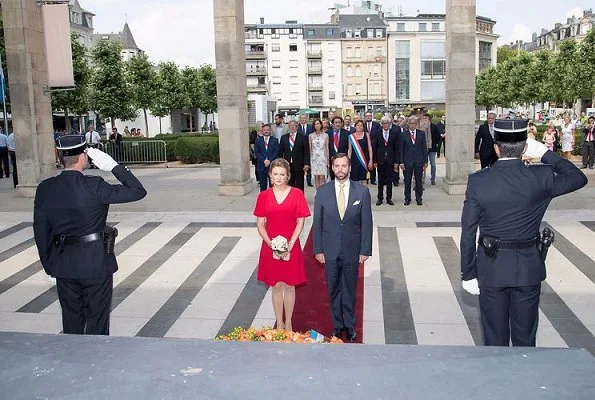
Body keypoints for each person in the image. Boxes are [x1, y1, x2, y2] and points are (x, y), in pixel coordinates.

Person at [460, 119, 587, 347]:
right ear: (526, 147)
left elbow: (469, 231)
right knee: (525, 339)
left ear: (496, 148)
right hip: (528, 267)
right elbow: (578, 178)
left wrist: (468, 273)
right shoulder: (541, 177)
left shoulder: (479, 181)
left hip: (492, 268)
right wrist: (545, 153)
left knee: (495, 340)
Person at [33, 135, 147, 335]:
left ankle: (74, 360)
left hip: (64, 264)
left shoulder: (46, 188)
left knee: (71, 322)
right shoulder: (95, 185)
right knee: (97, 322)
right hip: (96, 262)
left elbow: (41, 231)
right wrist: (113, 166)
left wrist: (50, 266)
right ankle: (95, 361)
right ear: (84, 156)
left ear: (59, 156)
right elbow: (137, 191)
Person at [313, 153, 373, 341]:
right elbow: (318, 222)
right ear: (332, 167)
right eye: (337, 166)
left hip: (352, 250)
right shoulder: (322, 192)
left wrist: (365, 250)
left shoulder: (361, 192)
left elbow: (367, 223)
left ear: (349, 167)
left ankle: (350, 325)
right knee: (333, 289)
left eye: (344, 166)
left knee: (350, 289)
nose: (340, 169)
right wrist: (318, 249)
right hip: (329, 249)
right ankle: (337, 325)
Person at [254, 158, 310, 331]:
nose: (279, 177)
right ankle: (279, 322)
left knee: (290, 285)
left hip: (291, 245)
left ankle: (289, 322)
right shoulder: (263, 196)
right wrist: (272, 245)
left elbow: (300, 222)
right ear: (270, 175)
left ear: (288, 176)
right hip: (270, 246)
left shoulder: (297, 194)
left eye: (282, 174)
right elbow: (260, 224)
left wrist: (290, 244)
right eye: (275, 174)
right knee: (276, 285)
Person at [399, 116, 428, 206]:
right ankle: (407, 198)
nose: (412, 125)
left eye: (414, 123)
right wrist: (401, 162)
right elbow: (401, 149)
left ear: (416, 124)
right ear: (408, 124)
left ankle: (419, 198)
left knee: (418, 181)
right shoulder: (404, 134)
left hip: (419, 161)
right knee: (407, 181)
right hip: (407, 161)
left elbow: (424, 148)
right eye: (411, 123)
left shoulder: (421, 134)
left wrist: (425, 161)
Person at [371, 116, 400, 206]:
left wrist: (396, 162)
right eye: (383, 123)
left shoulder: (394, 133)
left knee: (389, 181)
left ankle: (389, 198)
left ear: (390, 124)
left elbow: (397, 149)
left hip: (391, 160)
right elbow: (374, 148)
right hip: (380, 160)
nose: (385, 125)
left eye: (387, 123)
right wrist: (375, 161)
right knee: (380, 181)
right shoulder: (377, 133)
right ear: (381, 124)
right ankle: (380, 198)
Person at [278, 120, 310, 192]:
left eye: (294, 125)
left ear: (297, 127)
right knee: (289, 183)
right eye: (290, 126)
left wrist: (306, 164)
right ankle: (291, 199)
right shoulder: (284, 137)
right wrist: (280, 164)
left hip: (299, 164)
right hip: (287, 165)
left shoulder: (303, 137)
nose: (292, 127)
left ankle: (300, 199)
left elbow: (306, 152)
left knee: (299, 183)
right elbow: (280, 152)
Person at [254, 124, 279, 192]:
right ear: (262, 131)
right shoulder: (258, 140)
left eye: (268, 130)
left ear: (270, 131)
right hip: (261, 165)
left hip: (271, 166)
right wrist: (264, 160)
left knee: (272, 185)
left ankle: (272, 200)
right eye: (264, 130)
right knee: (263, 186)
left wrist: (269, 160)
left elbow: (276, 152)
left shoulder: (275, 140)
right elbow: (257, 152)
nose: (266, 131)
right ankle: (263, 200)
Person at [347, 120, 373, 184]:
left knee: (364, 179)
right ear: (355, 126)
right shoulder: (351, 136)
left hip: (364, 160)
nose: (359, 127)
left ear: (363, 127)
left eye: (361, 125)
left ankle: (364, 193)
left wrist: (371, 160)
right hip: (354, 160)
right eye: (358, 125)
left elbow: (370, 148)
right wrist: (348, 162)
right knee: (354, 180)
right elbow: (349, 150)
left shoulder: (366, 135)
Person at [308, 118, 329, 189]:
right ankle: (318, 194)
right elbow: (310, 149)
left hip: (323, 158)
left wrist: (327, 160)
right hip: (314, 158)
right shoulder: (310, 135)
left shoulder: (326, 135)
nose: (317, 125)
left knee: (323, 177)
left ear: (321, 125)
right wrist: (310, 160)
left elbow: (327, 148)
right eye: (315, 124)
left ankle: (323, 194)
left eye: (318, 124)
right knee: (316, 177)